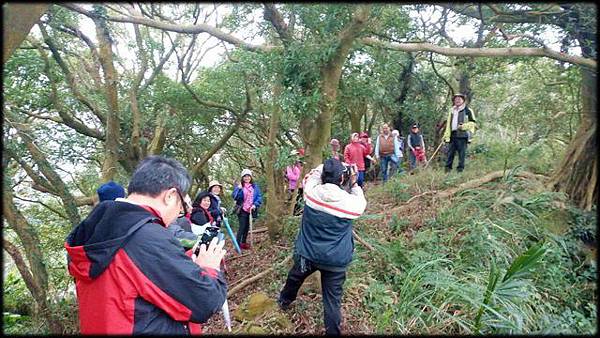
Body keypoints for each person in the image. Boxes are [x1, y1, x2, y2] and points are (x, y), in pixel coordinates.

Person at [65, 155, 227, 334]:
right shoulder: (147, 237)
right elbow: (205, 301)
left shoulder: (93, 232)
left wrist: (186, 261)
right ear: (171, 195)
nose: (180, 212)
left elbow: (131, 280)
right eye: (181, 205)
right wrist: (209, 268)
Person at [277, 158, 367, 335]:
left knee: (294, 278)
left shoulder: (311, 194)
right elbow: (361, 200)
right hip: (336, 260)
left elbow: (312, 175)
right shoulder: (351, 204)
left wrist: (327, 168)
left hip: (308, 255)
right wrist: (354, 184)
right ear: (342, 179)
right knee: (332, 300)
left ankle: (283, 302)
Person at [443, 93, 477, 173]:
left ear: (463, 100)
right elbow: (448, 124)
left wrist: (463, 126)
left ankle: (460, 171)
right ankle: (447, 171)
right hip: (452, 135)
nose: (457, 100)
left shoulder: (468, 110)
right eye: (456, 99)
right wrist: (446, 135)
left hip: (463, 135)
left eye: (459, 99)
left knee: (461, 155)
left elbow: (473, 123)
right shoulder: (451, 111)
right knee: (450, 154)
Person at [232, 169, 262, 250]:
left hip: (251, 209)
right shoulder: (239, 186)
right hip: (242, 209)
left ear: (251, 177)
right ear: (242, 177)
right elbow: (235, 197)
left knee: (247, 227)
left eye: (248, 176)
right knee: (242, 226)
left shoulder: (255, 186)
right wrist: (238, 189)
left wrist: (255, 204)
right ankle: (237, 244)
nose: (247, 178)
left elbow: (259, 197)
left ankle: (243, 243)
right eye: (245, 176)